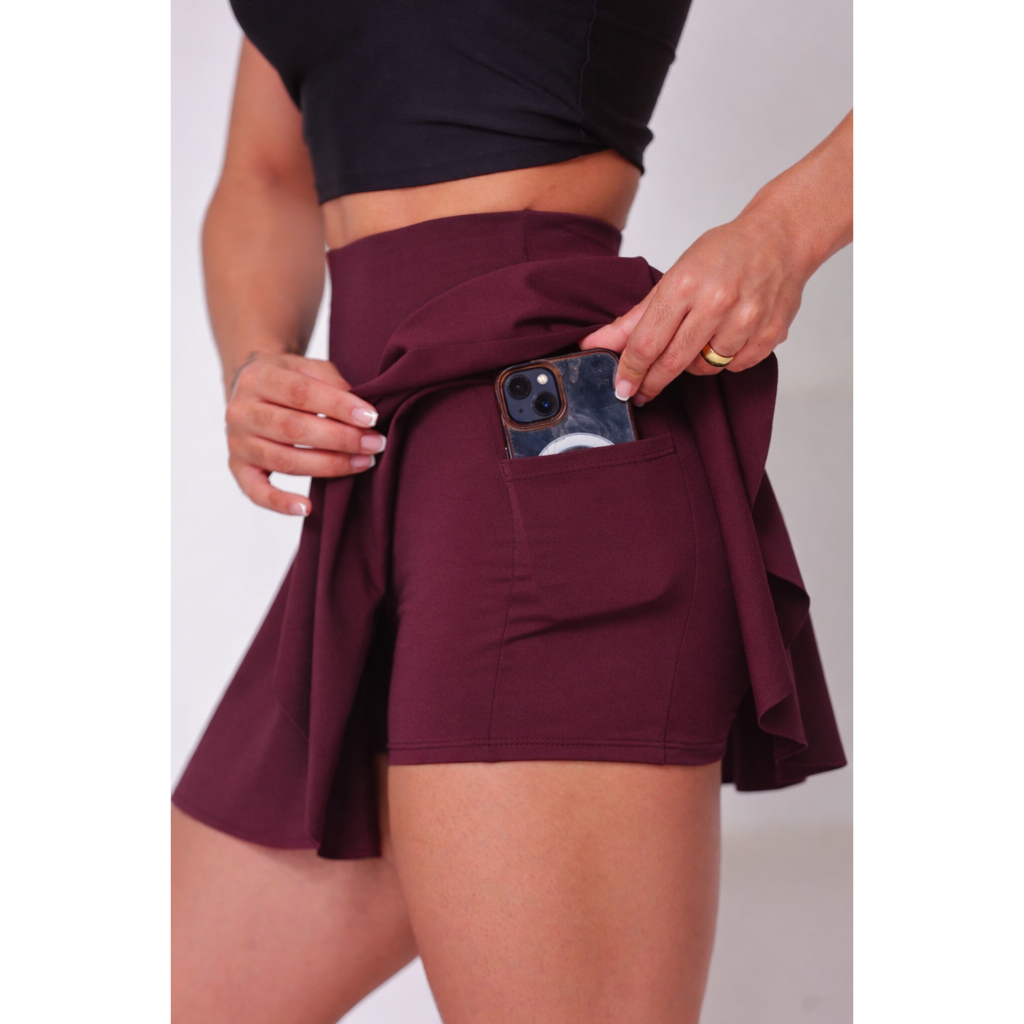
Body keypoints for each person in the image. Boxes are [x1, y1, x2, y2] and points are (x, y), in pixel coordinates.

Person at [172, 2, 851, 1021]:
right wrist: (254, 361)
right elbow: (264, 176)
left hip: (546, 455)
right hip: (373, 483)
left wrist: (782, 233)